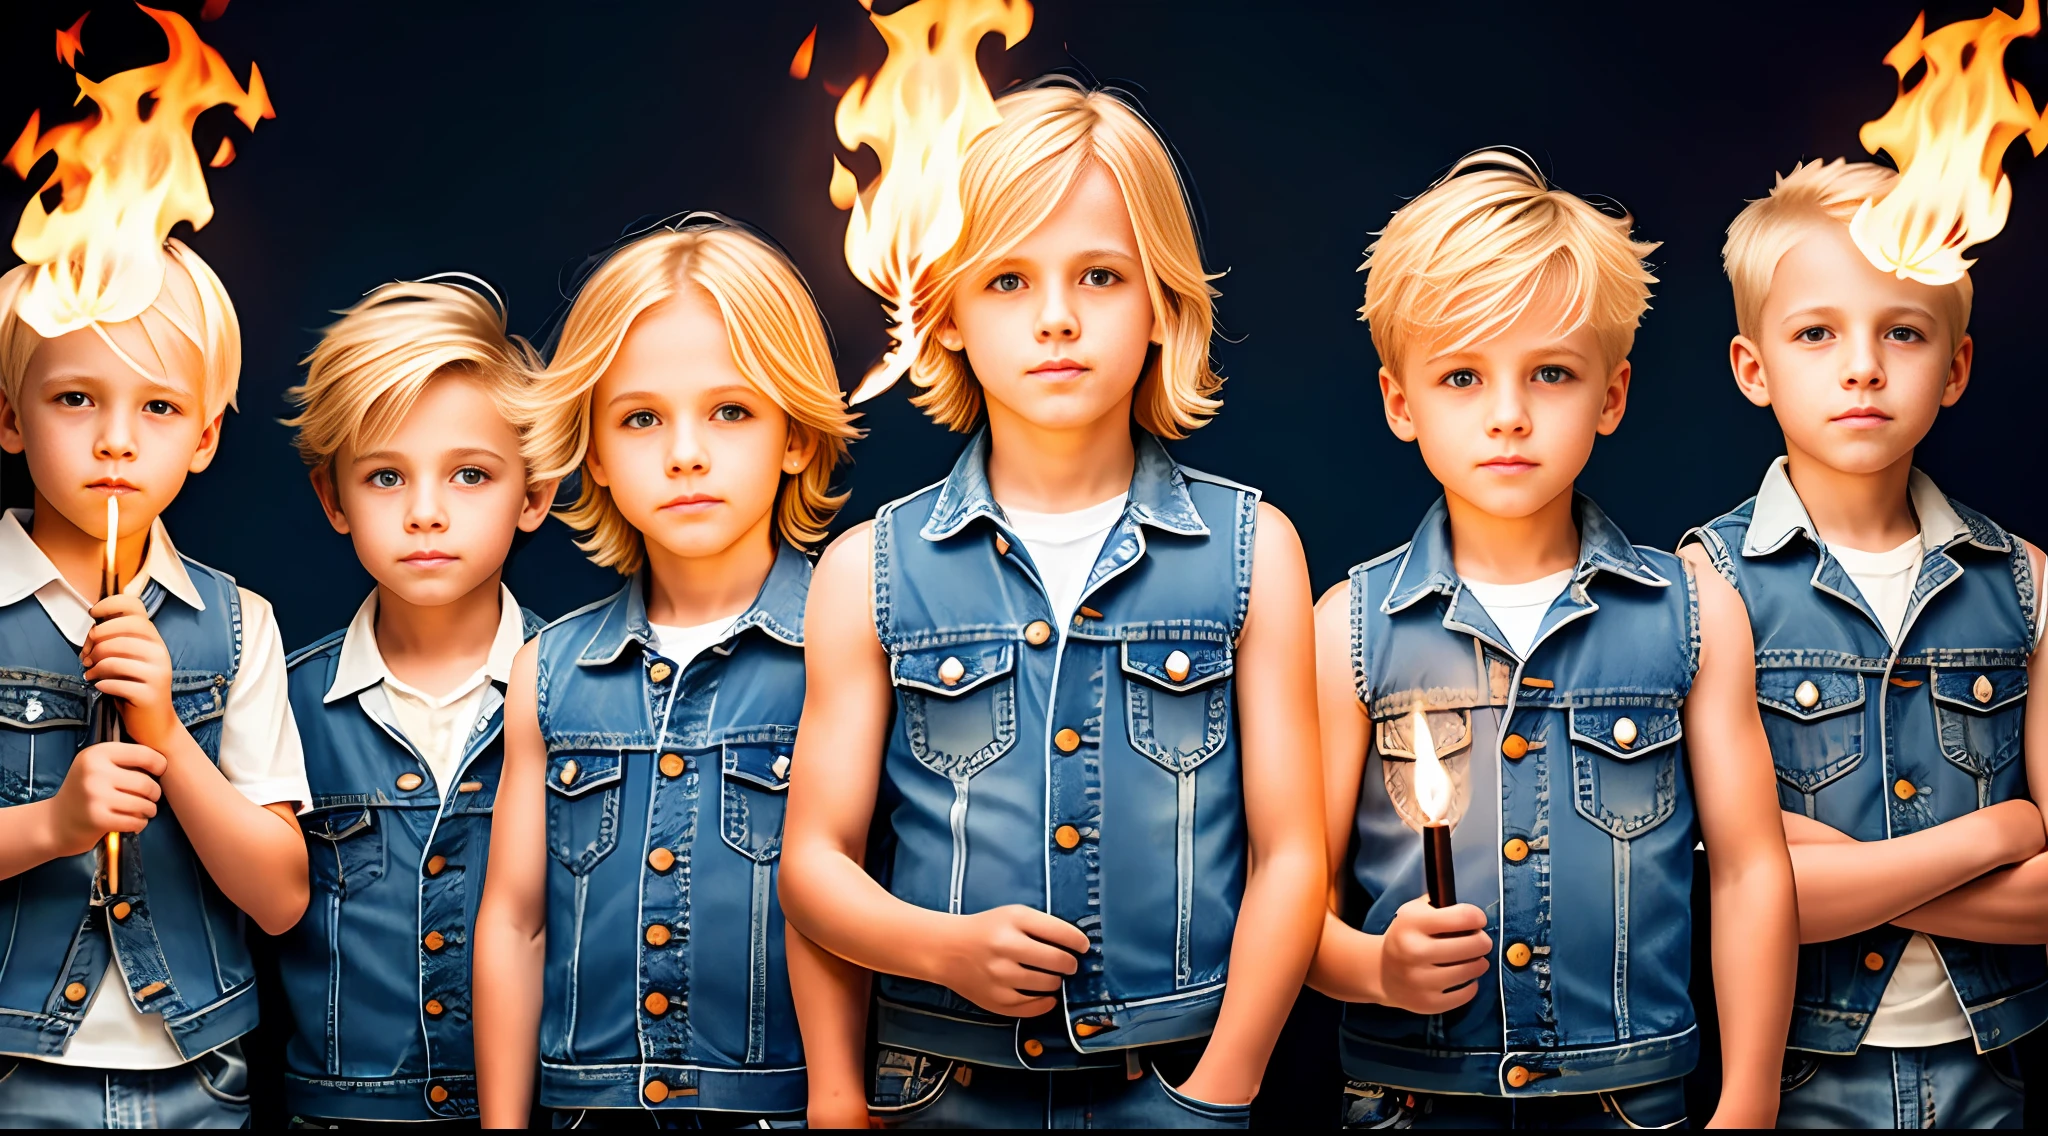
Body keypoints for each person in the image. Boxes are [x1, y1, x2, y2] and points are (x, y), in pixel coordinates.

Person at [778, 77, 1326, 1129]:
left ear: (1163, 303)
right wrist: (935, 948)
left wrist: (1221, 1089)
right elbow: (812, 862)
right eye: (1008, 281)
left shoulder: (1257, 551)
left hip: (1169, 1088)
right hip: (936, 1093)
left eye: (1100, 275)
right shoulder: (867, 569)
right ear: (943, 314)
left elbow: (1289, 850)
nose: (1057, 318)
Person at [1309, 150, 1797, 1129]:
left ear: (1610, 396)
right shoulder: (1346, 629)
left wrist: (1745, 1099)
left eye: (1549, 373)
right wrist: (1371, 964)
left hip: (1627, 1104)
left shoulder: (1695, 611)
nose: (1506, 414)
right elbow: (1290, 889)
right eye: (1460, 375)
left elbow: (1749, 870)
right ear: (1399, 402)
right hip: (1413, 1101)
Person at [1686, 158, 2048, 1129]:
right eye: (1815, 333)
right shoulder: (1705, 582)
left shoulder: (2026, 582)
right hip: (1799, 1075)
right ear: (1752, 368)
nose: (1861, 365)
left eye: (1901, 330)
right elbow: (1734, 880)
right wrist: (1994, 833)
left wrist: (1841, 879)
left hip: (1993, 1073)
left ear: (1955, 366)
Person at [472, 216, 857, 1126]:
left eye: (731, 411)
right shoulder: (549, 670)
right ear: (595, 452)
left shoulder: (854, 641)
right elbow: (515, 922)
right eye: (642, 418)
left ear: (796, 434)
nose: (686, 452)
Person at [0, 239, 311, 1127]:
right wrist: (52, 825)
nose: (116, 439)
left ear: (205, 436)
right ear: (9, 416)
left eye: (160, 406)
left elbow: (282, 897)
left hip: (199, 1079)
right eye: (74, 398)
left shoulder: (239, 622)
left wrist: (169, 738)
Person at [275, 276, 554, 1124]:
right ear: (333, 499)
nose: (426, 513)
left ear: (534, 494)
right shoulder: (280, 699)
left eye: (470, 475)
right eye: (386, 477)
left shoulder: (585, 690)